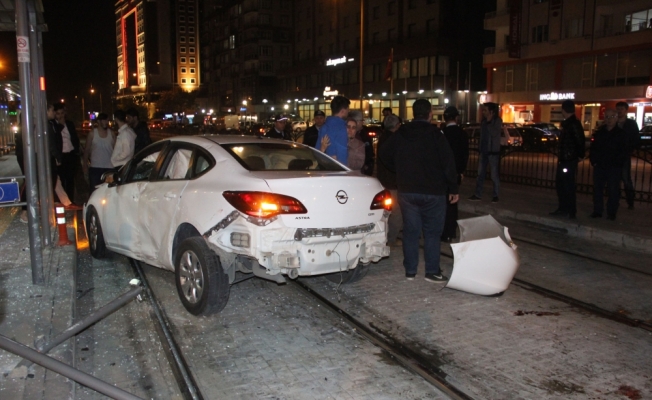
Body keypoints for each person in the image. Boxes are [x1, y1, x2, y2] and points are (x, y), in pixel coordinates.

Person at [379, 99, 459, 283]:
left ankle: (410, 271)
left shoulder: (401, 133)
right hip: (434, 191)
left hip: (407, 190)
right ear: (430, 114)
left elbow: (384, 153)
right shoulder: (436, 134)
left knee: (411, 231)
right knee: (432, 232)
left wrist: (398, 168)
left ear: (413, 113)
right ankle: (431, 271)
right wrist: (453, 187)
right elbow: (448, 163)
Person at [550, 100, 586, 219]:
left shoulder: (572, 124)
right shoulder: (570, 124)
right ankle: (564, 208)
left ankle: (569, 210)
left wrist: (579, 155)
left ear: (564, 110)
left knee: (566, 185)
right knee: (562, 184)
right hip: (566, 158)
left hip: (568, 159)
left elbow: (579, 141)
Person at [589, 109, 627, 221]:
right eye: (607, 117)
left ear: (616, 118)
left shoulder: (621, 134)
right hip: (600, 166)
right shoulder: (600, 133)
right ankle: (597, 211)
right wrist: (594, 161)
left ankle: (611, 212)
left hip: (613, 167)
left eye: (611, 117)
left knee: (613, 190)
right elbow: (594, 148)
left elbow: (624, 151)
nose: (609, 120)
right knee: (598, 190)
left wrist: (617, 163)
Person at [441, 106, 469, 242]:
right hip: (455, 172)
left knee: (441, 202)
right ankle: (450, 232)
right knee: (452, 203)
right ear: (456, 118)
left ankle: (442, 230)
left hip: (441, 173)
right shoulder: (462, 133)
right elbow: (465, 154)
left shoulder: (441, 133)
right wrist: (461, 171)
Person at [377, 114, 402, 246]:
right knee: (396, 214)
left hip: (384, 180)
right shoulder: (394, 140)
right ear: (397, 125)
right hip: (391, 182)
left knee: (387, 212)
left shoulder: (383, 138)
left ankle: (386, 237)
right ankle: (390, 239)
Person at [469, 102, 502, 202]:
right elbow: (483, 136)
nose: (483, 112)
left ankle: (495, 195)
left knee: (494, 175)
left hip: (493, 152)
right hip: (484, 152)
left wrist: (489, 122)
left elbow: (494, 133)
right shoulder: (483, 122)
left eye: (485, 110)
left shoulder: (497, 121)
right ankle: (478, 194)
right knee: (480, 174)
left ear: (491, 111)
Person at [52, 103, 81, 202]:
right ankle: (63, 201)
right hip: (61, 156)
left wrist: (76, 151)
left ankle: (70, 200)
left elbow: (74, 138)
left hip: (71, 154)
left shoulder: (69, 124)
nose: (60, 116)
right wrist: (60, 125)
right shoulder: (54, 126)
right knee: (61, 180)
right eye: (58, 114)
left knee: (70, 180)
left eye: (62, 113)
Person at [615, 101, 640, 209]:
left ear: (626, 111)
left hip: (624, 154)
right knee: (614, 179)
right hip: (614, 155)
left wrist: (631, 149)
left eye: (622, 109)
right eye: (618, 109)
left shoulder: (630, 124)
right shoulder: (613, 122)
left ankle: (630, 201)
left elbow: (635, 138)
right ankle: (615, 199)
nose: (619, 111)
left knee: (626, 178)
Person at [83, 113, 116, 193]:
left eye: (107, 120)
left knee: (108, 192)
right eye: (104, 120)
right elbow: (87, 150)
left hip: (109, 168)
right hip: (95, 168)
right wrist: (85, 166)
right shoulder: (92, 134)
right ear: (99, 121)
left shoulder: (111, 134)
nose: (106, 122)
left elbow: (116, 151)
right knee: (95, 191)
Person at [317, 95, 350, 163]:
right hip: (337, 170)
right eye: (348, 109)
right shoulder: (341, 128)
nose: (348, 111)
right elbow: (342, 156)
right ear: (343, 111)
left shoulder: (324, 127)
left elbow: (317, 151)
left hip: (325, 169)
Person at [348, 110, 375, 176]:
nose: (363, 122)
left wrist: (368, 165)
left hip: (364, 170)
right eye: (361, 120)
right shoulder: (346, 137)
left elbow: (369, 151)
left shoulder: (364, 133)